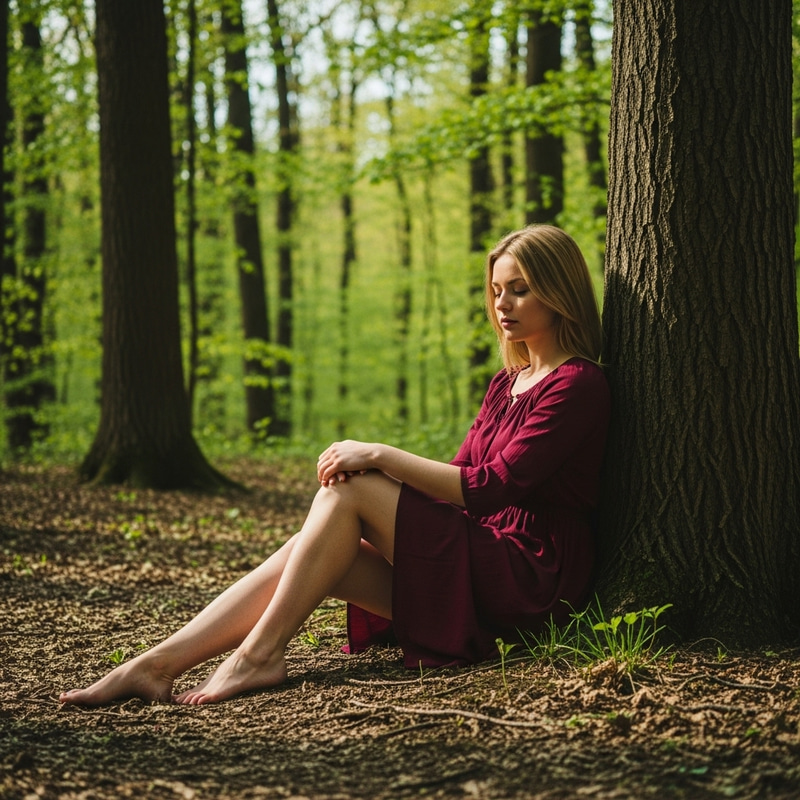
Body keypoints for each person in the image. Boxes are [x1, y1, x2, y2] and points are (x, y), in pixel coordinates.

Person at [59, 224, 610, 707]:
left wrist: (377, 458)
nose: (503, 304)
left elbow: (489, 488)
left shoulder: (577, 383)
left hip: (531, 575)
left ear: (558, 292)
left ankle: (260, 655)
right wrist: (384, 488)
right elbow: (458, 475)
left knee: (350, 492)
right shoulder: (506, 384)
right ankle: (155, 666)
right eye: (496, 291)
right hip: (481, 555)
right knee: (315, 546)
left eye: (520, 289)